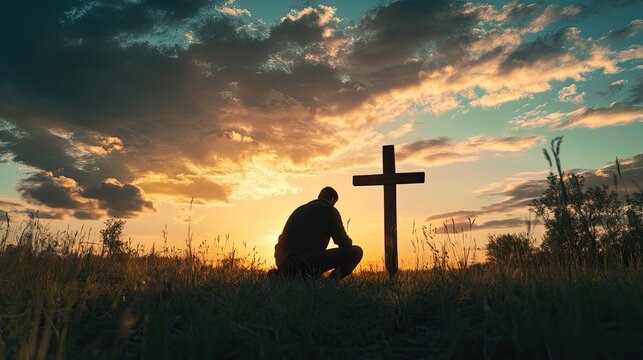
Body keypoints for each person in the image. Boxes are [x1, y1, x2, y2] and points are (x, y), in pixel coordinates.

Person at [274, 186, 363, 278]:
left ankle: (286, 274)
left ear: (319, 196)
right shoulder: (329, 210)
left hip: (283, 262)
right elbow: (344, 242)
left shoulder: (299, 209)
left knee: (306, 262)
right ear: (332, 200)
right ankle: (330, 284)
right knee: (356, 252)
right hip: (304, 262)